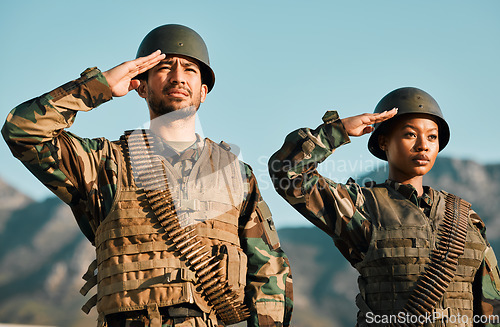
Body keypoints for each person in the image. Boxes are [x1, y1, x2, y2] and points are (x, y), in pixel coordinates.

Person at [2, 24, 292, 327]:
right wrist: (97, 86)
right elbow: (22, 131)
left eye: (190, 70)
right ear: (140, 85)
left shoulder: (234, 175)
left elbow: (269, 273)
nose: (178, 77)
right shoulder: (105, 165)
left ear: (203, 91)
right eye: (165, 68)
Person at [268, 87, 500, 326]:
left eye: (432, 136)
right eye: (410, 134)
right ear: (383, 141)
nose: (423, 145)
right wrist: (336, 131)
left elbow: (491, 307)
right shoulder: (362, 207)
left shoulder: (464, 216)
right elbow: (287, 172)